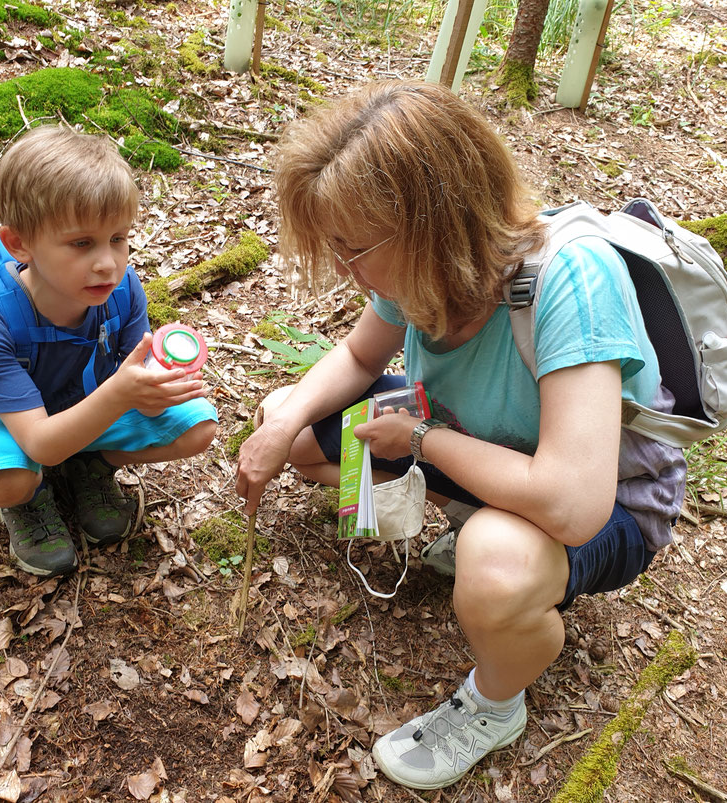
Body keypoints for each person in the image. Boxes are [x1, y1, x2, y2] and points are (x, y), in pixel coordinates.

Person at [234, 80, 686, 791]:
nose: (349, 273)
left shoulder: (570, 280)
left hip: (612, 503)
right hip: (475, 442)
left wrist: (422, 442)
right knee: (291, 426)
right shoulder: (419, 267)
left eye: (354, 250)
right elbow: (358, 357)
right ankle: (474, 522)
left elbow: (573, 504)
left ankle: (494, 701)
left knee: (495, 563)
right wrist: (287, 421)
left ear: (431, 223)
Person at [0, 126, 217, 577]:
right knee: (8, 477)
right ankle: (29, 501)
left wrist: (158, 386)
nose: (107, 262)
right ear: (19, 243)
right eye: (81, 243)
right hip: (13, 426)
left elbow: (136, 368)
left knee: (197, 425)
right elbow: (42, 443)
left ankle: (91, 466)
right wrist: (124, 396)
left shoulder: (122, 290)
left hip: (86, 408)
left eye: (118, 238)